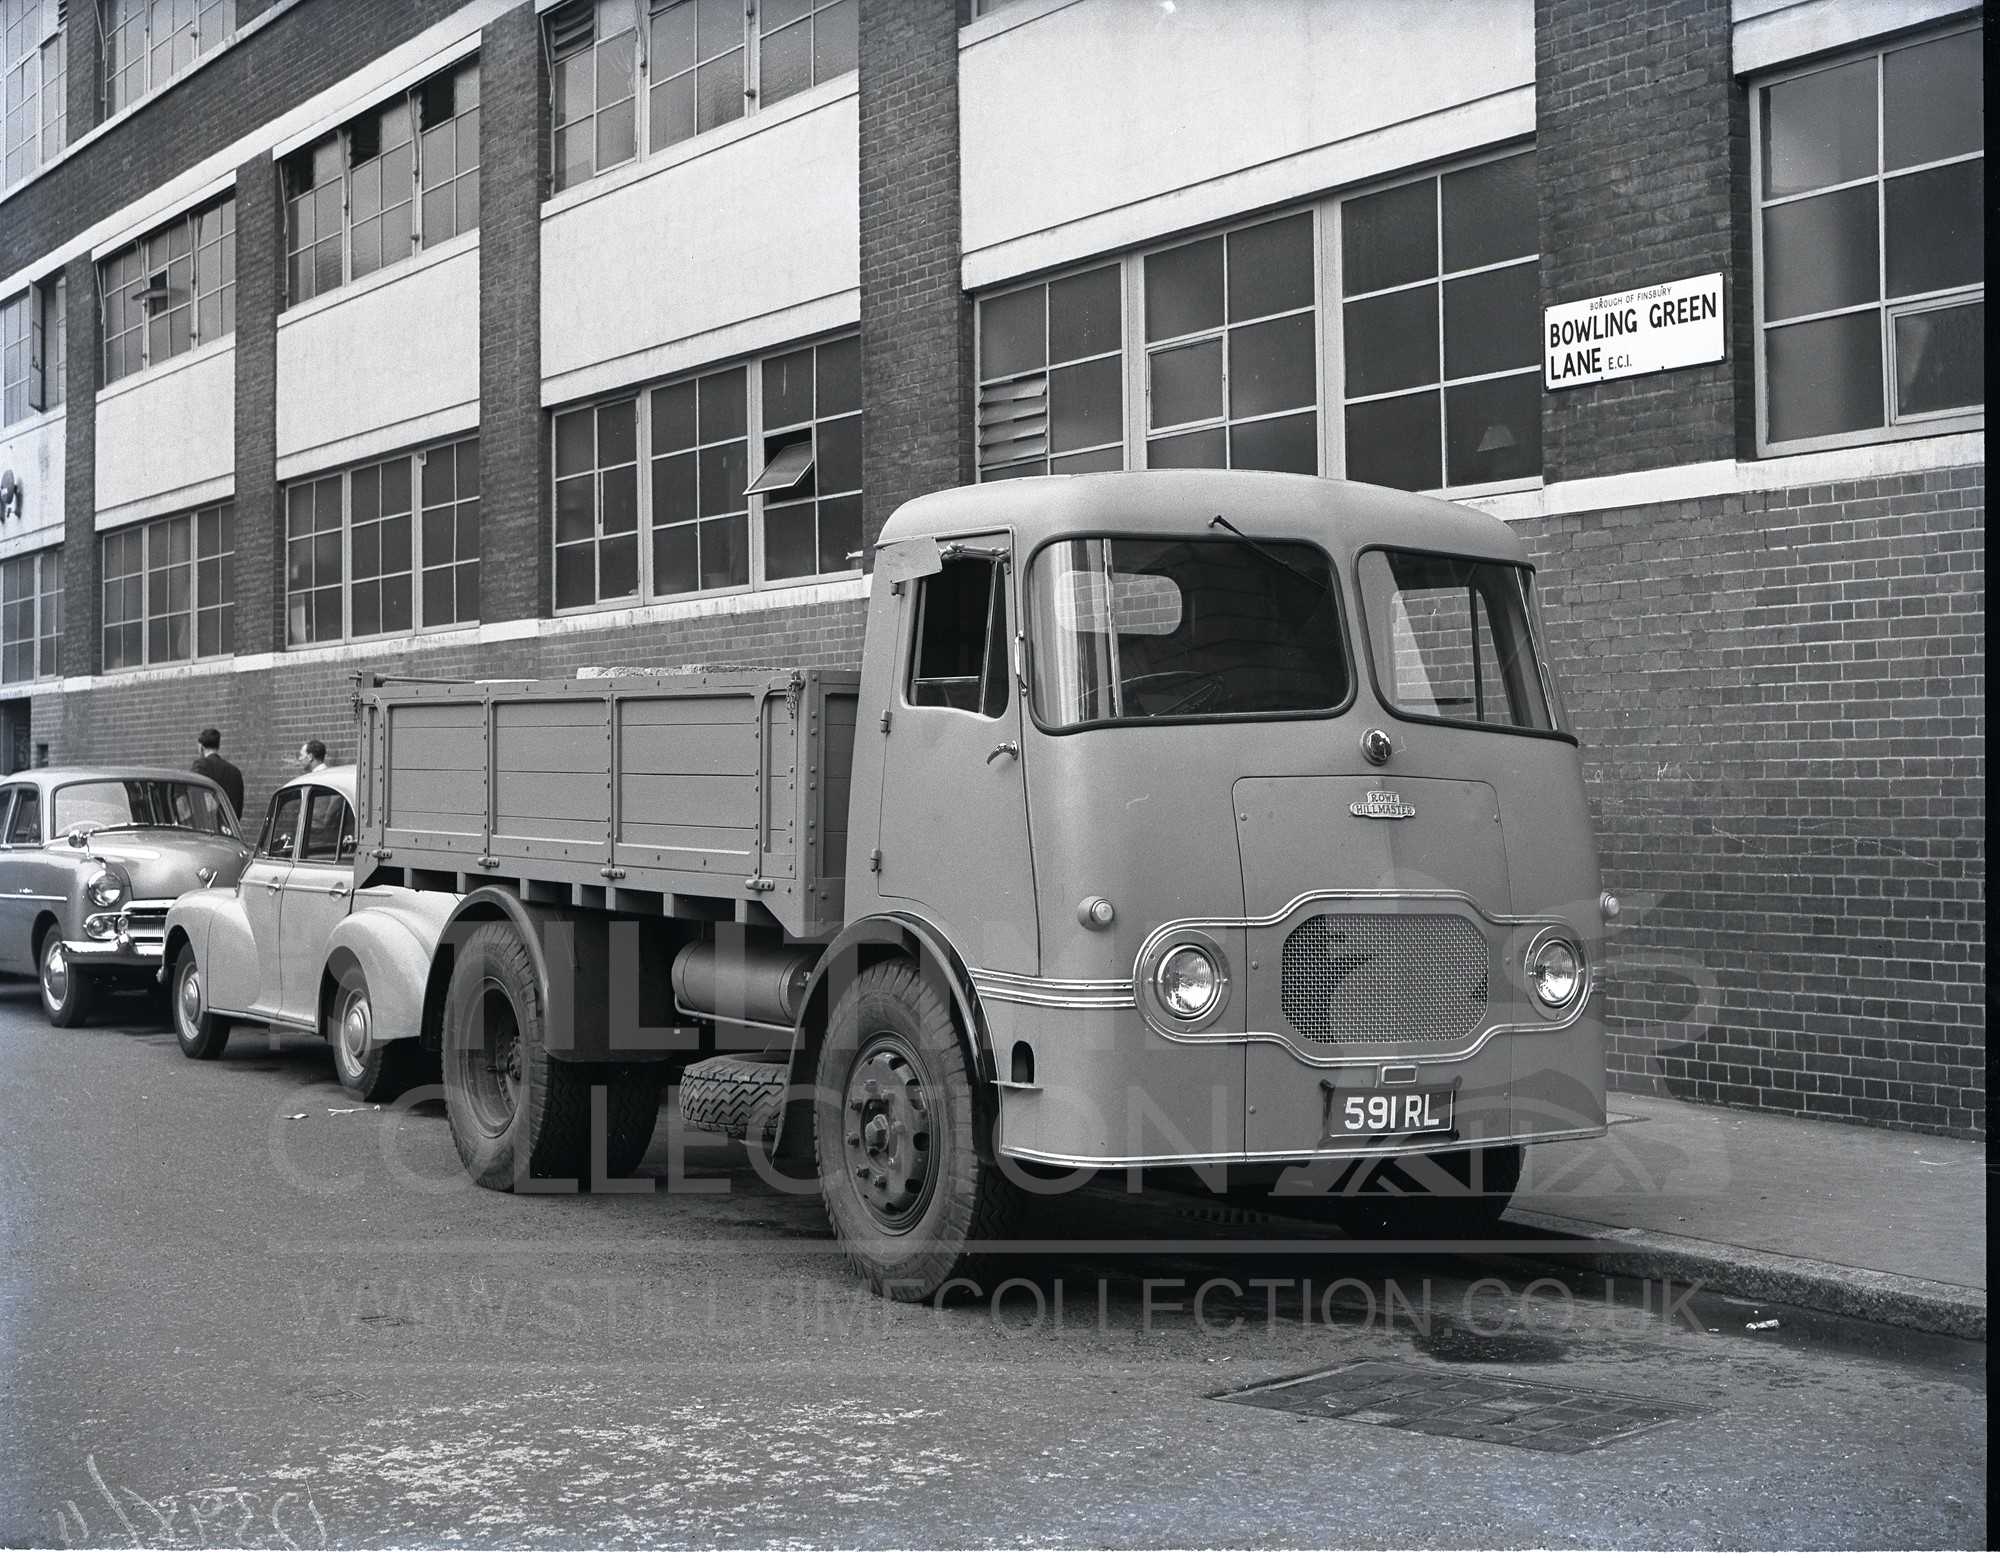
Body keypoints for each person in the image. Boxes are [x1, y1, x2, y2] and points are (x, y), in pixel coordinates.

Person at [191, 727, 245, 820]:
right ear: (218, 746)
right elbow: (238, 807)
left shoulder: (200, 766)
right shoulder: (235, 772)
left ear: (201, 747)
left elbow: (194, 799)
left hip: (208, 826)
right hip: (229, 828)